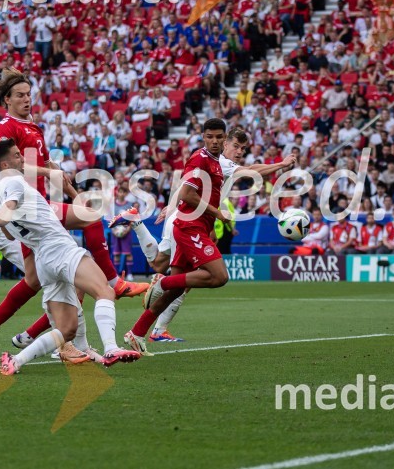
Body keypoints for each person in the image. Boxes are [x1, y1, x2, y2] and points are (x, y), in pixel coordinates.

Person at [0, 68, 148, 363]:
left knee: (35, 279)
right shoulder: (6, 128)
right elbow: (8, 167)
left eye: (29, 94)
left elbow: (39, 159)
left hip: (35, 206)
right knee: (90, 218)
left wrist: (61, 178)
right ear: (7, 99)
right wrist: (3, 215)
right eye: (20, 95)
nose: (27, 100)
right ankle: (114, 282)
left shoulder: (31, 125)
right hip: (29, 208)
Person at [0, 139, 141, 372]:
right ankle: (112, 347)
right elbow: (12, 205)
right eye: (17, 155)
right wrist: (5, 217)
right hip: (59, 248)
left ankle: (15, 361)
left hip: (43, 261)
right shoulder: (14, 179)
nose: (22, 159)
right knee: (105, 291)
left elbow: (7, 230)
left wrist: (2, 219)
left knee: (66, 330)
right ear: (5, 164)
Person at [125, 127, 296, 342]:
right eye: (236, 146)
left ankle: (144, 330)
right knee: (176, 277)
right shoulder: (218, 162)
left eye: (243, 148)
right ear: (225, 143)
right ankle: (140, 231)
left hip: (190, 218)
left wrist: (171, 206)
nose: (239, 151)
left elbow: (187, 183)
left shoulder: (215, 163)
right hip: (188, 220)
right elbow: (250, 171)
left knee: (172, 276)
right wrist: (281, 164)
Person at [123, 118, 233, 355]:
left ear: (225, 138)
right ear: (203, 137)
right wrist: (217, 213)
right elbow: (187, 194)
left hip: (198, 226)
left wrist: (211, 223)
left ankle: (137, 332)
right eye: (210, 136)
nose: (215, 141)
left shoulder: (215, 163)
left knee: (176, 290)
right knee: (219, 276)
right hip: (188, 226)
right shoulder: (200, 159)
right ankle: (161, 281)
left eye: (219, 137)